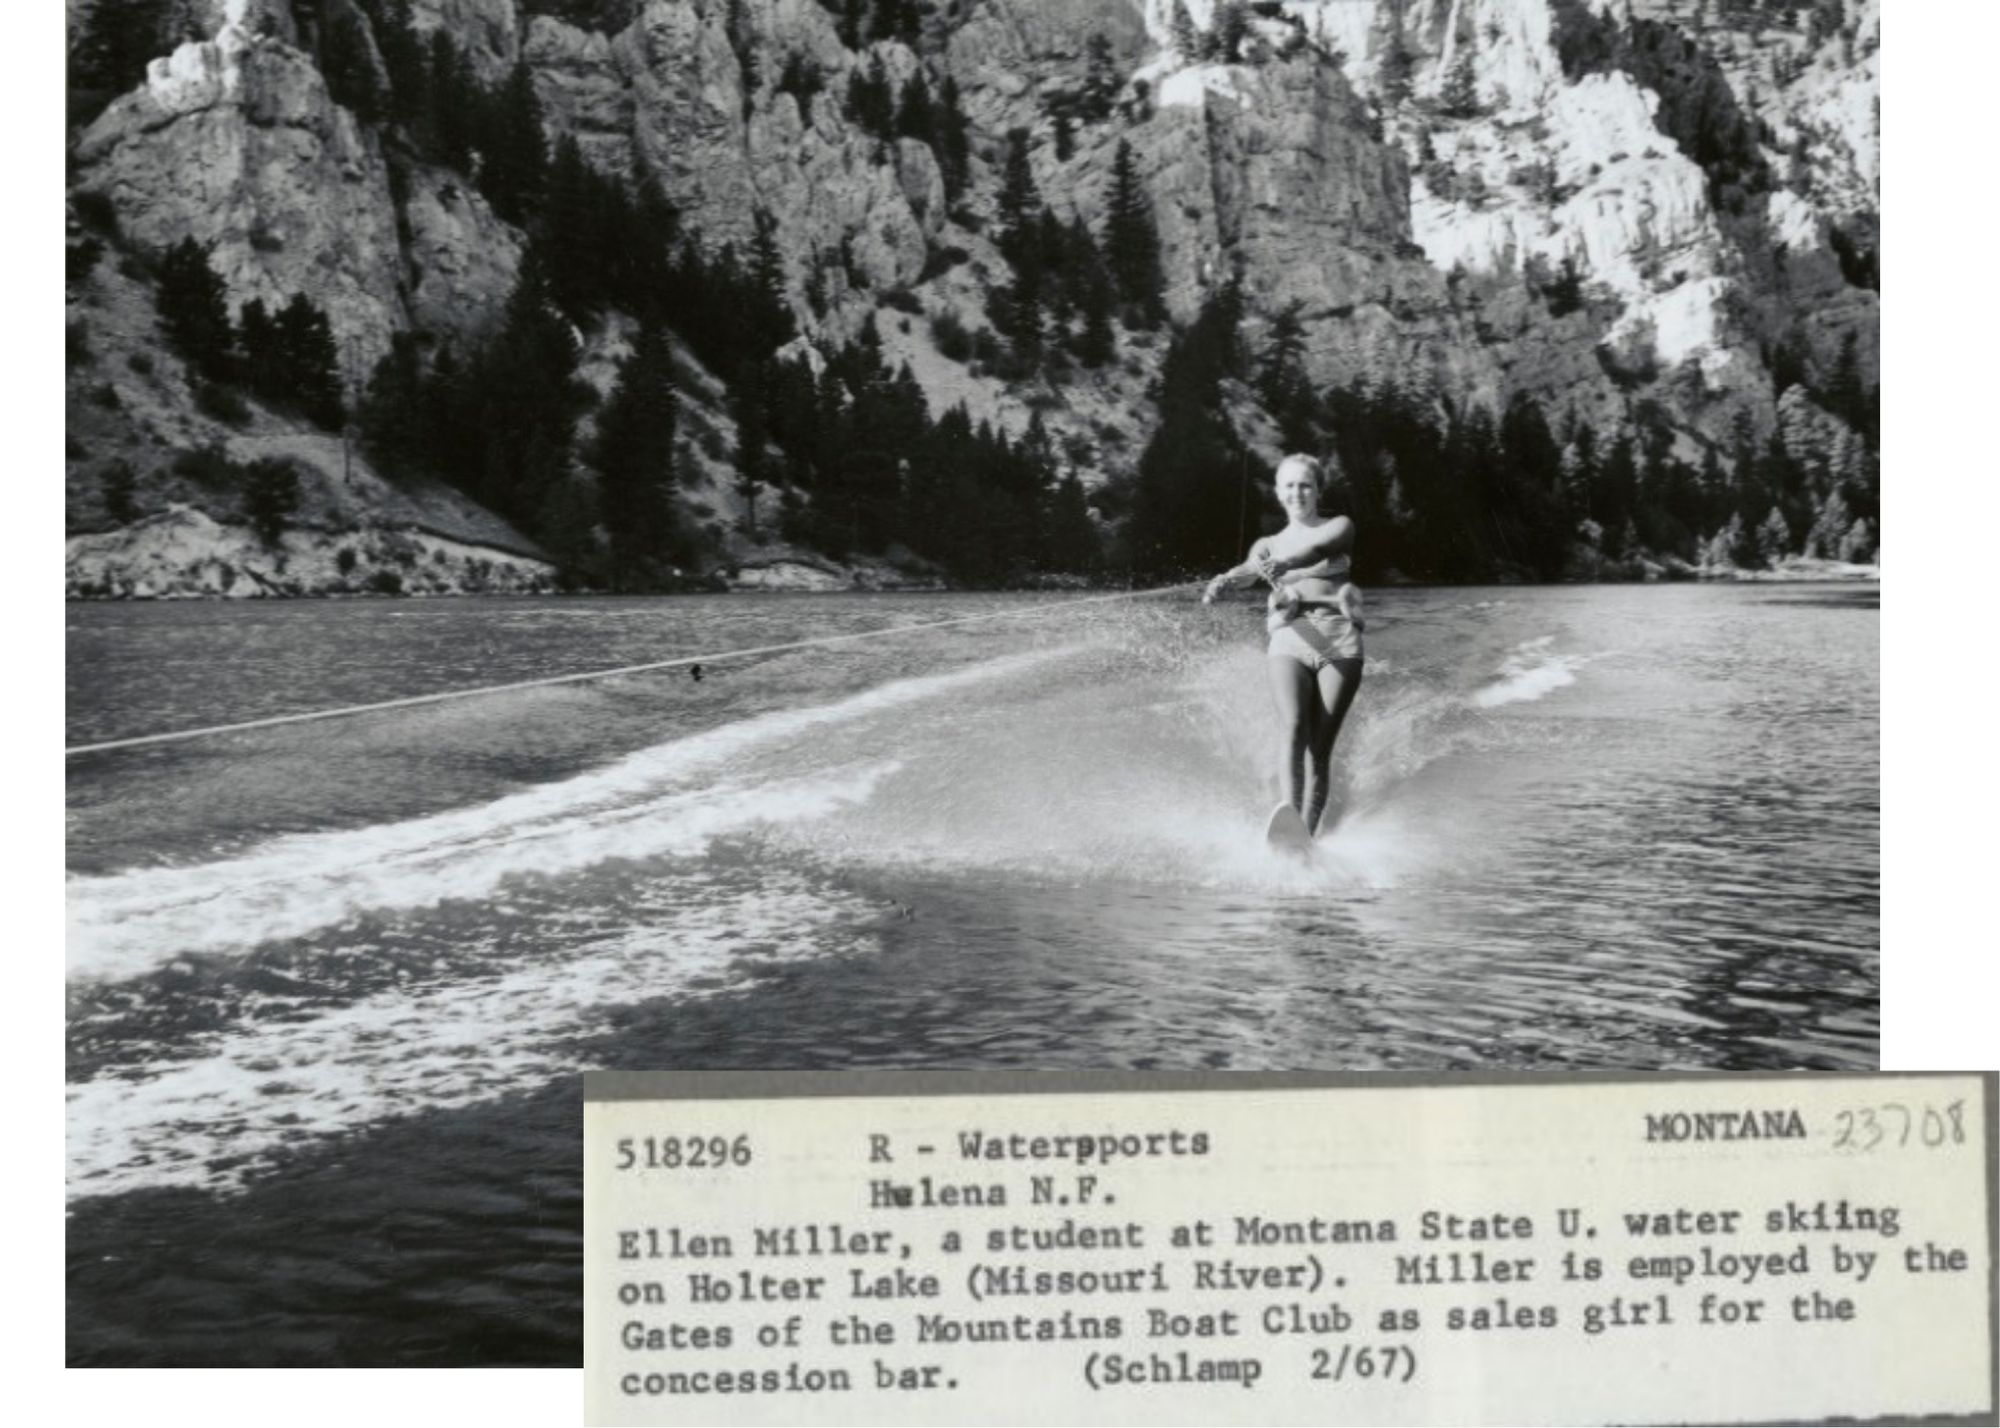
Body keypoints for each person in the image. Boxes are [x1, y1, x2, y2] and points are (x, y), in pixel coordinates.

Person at [1202, 454, 1365, 837]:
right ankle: (1289, 818)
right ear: (1278, 493)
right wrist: (1225, 581)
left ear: (1318, 490)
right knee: (1293, 726)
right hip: (1290, 638)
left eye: (1305, 484)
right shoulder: (1266, 543)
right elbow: (1247, 572)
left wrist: (1285, 563)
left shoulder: (1340, 526)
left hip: (1339, 640)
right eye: (1289, 485)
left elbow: (1317, 550)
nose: (1297, 492)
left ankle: (1306, 834)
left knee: (1319, 748)